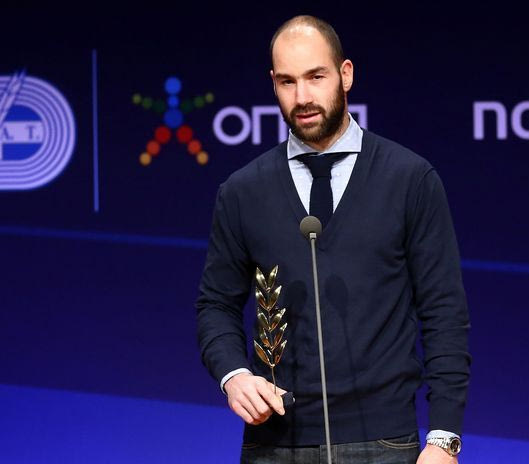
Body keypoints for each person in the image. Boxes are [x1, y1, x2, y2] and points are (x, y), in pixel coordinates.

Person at [196, 15, 471, 464]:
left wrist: (444, 439)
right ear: (273, 83)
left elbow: (444, 312)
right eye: (287, 82)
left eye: (315, 77)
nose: (302, 97)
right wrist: (234, 375)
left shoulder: (409, 179)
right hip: (275, 443)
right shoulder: (243, 191)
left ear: (346, 74)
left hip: (384, 442)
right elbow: (215, 305)